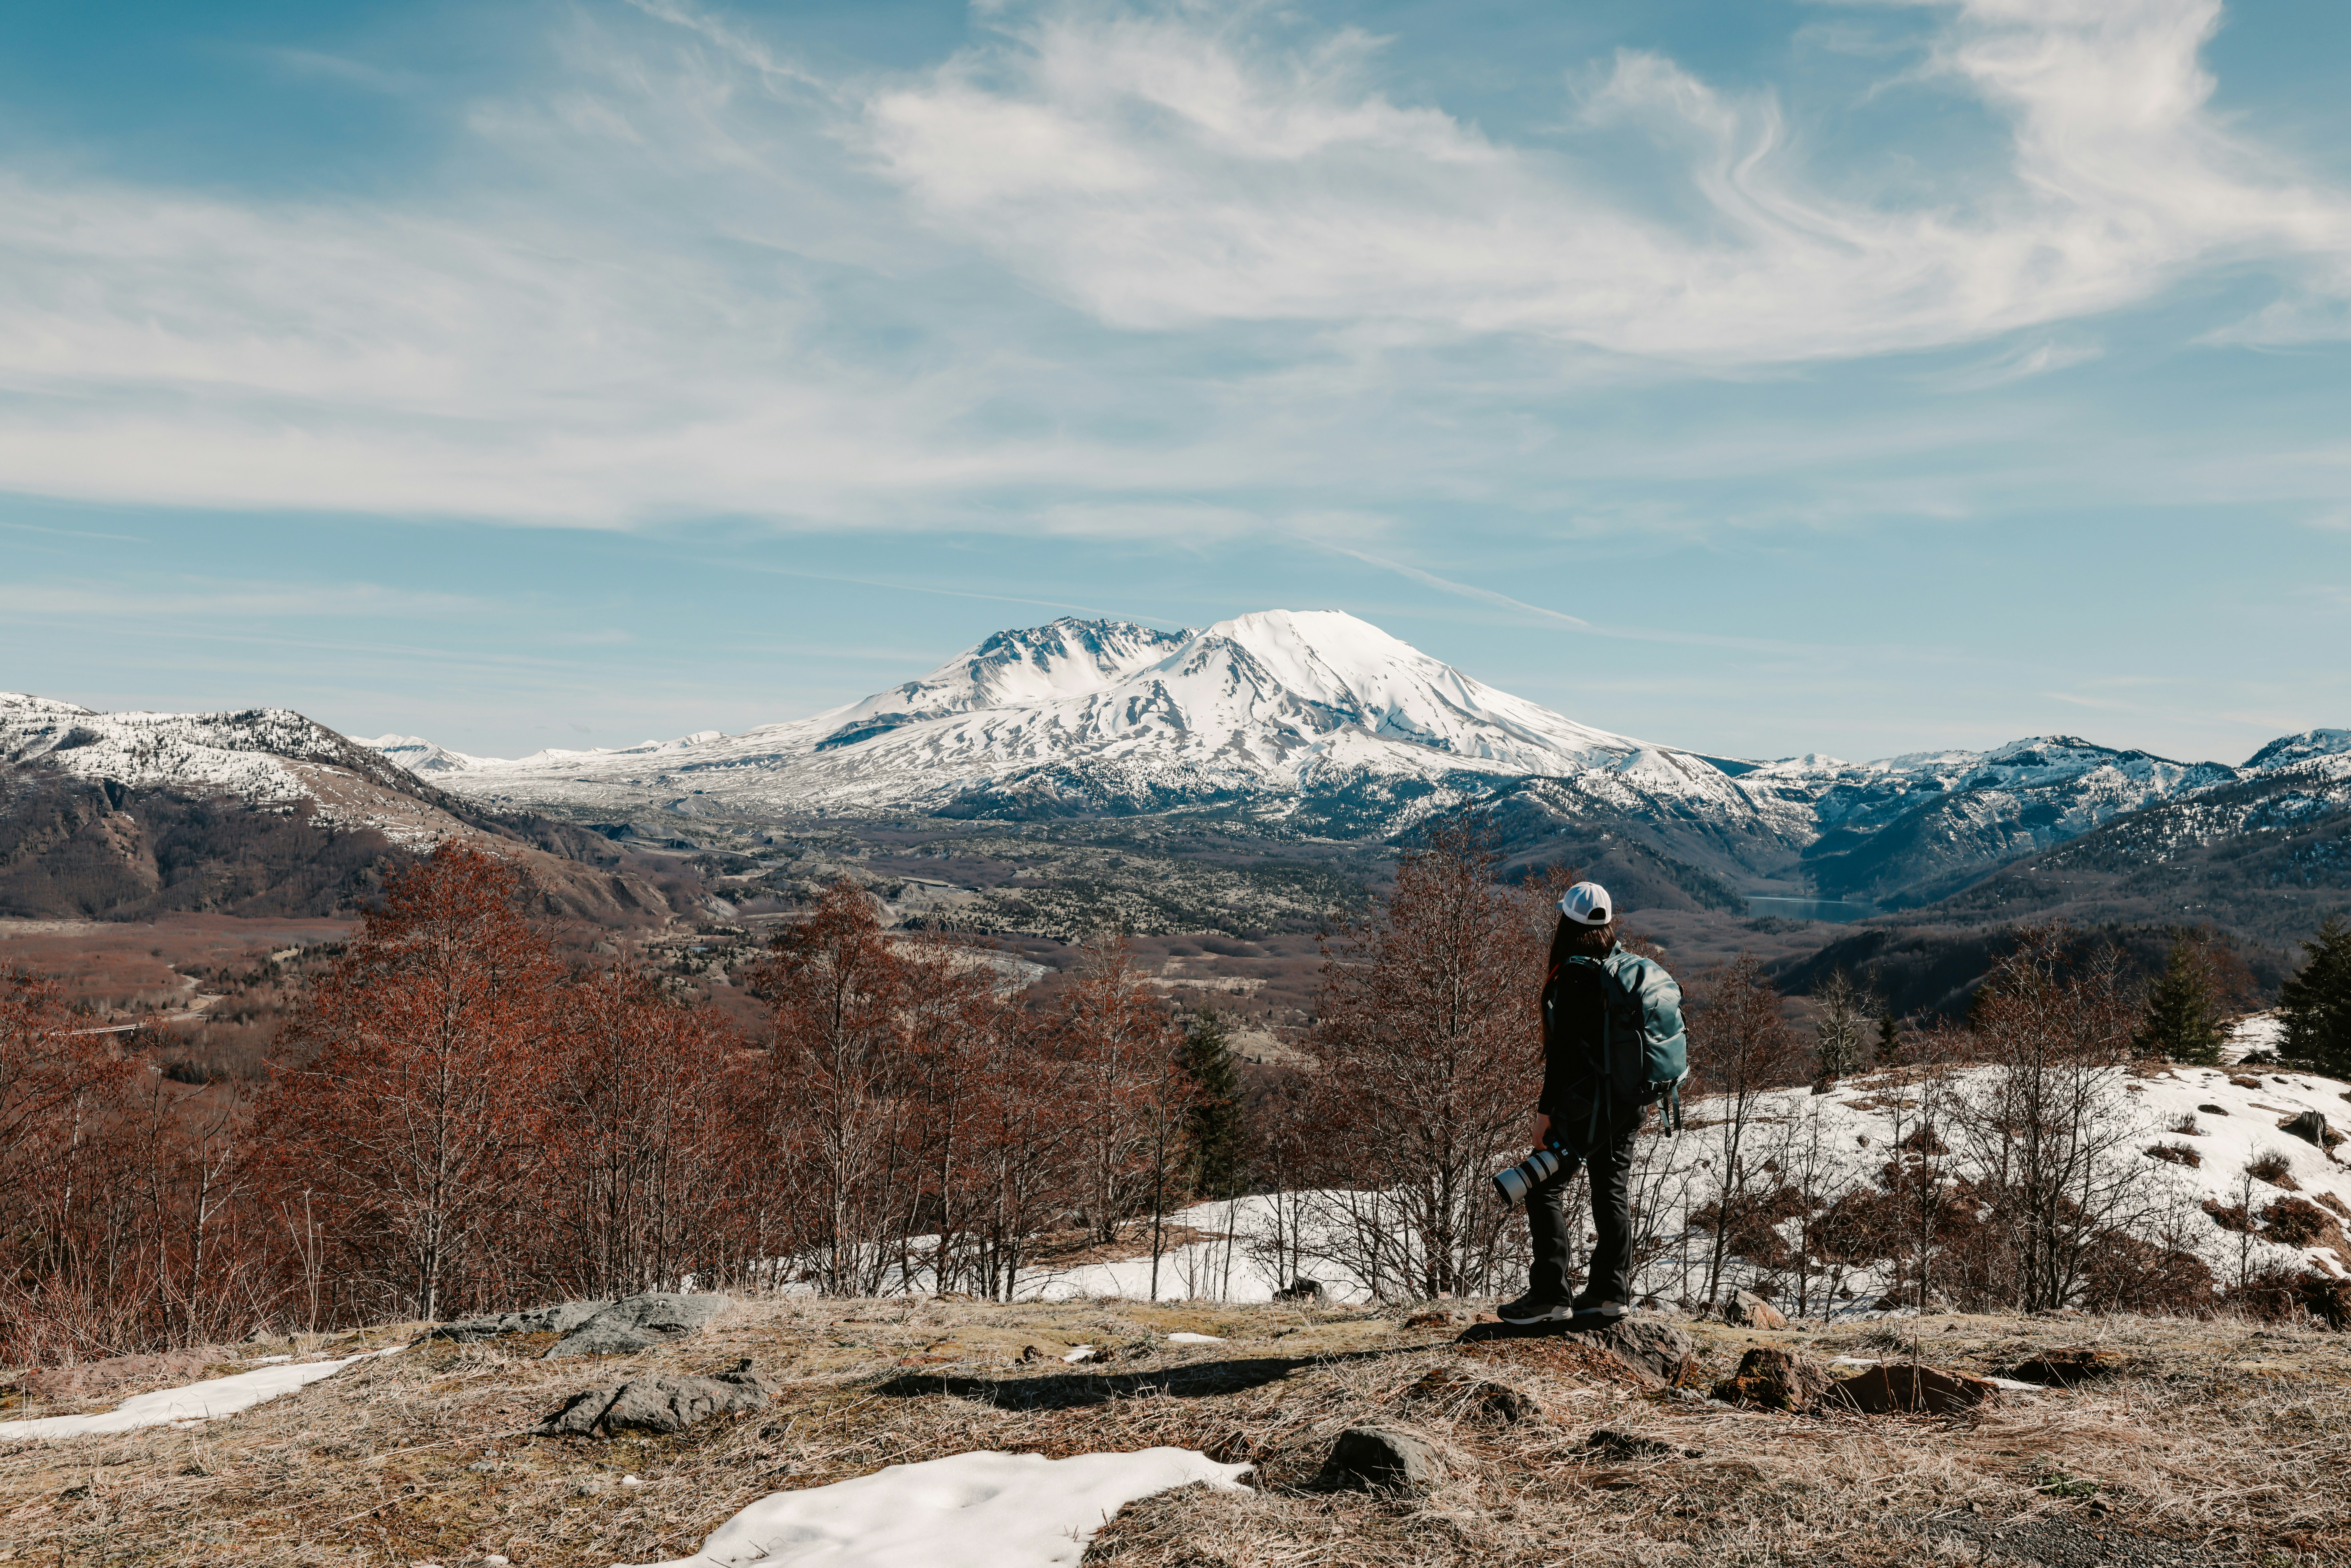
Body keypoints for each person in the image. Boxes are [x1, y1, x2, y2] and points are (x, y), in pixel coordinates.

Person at [1497, 880, 1682, 1325]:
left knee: (1542, 1188)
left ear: (1566, 921)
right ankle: (1609, 1292)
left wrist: (1545, 1115)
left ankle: (1550, 1297)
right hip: (1629, 1104)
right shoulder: (1621, 966)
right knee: (1611, 1191)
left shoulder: (1576, 975)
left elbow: (1561, 1058)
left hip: (1587, 1109)